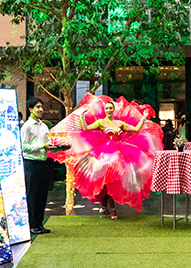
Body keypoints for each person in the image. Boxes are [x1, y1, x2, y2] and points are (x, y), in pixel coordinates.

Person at [49, 94, 164, 218]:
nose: (109, 110)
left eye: (111, 108)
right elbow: (86, 128)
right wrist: (82, 116)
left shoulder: (120, 123)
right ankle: (109, 208)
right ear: (105, 110)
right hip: (104, 153)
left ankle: (106, 207)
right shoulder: (101, 122)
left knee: (111, 179)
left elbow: (135, 129)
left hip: (120, 152)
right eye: (107, 108)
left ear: (113, 109)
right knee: (105, 180)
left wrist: (144, 118)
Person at [20, 97, 58, 235]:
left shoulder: (44, 126)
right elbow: (24, 147)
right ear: (30, 109)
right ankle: (32, 225)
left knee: (42, 195)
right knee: (33, 195)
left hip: (43, 163)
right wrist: (42, 146)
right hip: (31, 164)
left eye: (41, 106)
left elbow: (48, 144)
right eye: (37, 107)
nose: (41, 109)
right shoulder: (27, 126)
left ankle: (39, 223)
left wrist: (57, 147)